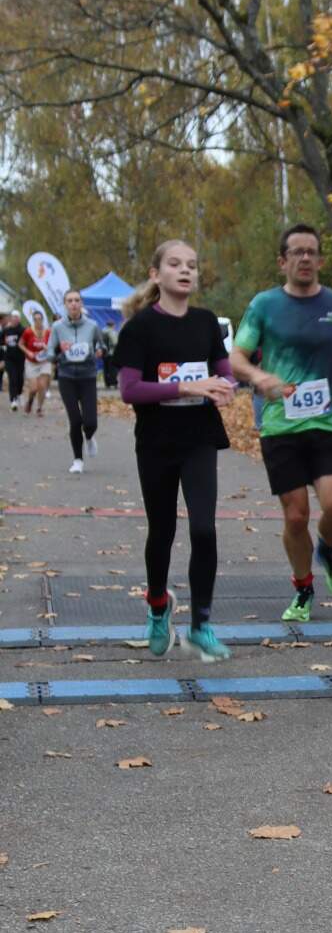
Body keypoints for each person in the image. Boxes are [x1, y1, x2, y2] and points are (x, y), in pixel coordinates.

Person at [229, 223, 332, 624]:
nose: (305, 258)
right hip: (280, 424)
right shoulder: (264, 305)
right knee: (295, 516)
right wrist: (259, 377)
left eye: (312, 252)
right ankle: (304, 587)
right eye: (297, 252)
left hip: (326, 421)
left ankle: (327, 548)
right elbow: (236, 359)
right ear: (282, 261)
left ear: (321, 261)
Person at [116, 239, 237, 661]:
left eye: (192, 265)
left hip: (200, 437)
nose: (185, 270)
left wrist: (225, 388)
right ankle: (157, 606)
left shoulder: (206, 323)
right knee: (162, 530)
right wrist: (188, 386)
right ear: (156, 274)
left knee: (204, 529)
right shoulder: (140, 328)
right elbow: (130, 390)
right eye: (175, 264)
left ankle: (201, 625)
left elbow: (225, 373)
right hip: (157, 442)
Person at [47, 289, 110, 474]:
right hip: (66, 377)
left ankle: (89, 437)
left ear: (81, 304)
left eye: (76, 300)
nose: (73, 304)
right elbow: (50, 353)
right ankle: (78, 460)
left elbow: (102, 346)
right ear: (65, 305)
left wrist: (100, 351)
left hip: (87, 376)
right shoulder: (57, 327)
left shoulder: (92, 325)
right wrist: (60, 352)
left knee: (90, 422)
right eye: (70, 301)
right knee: (75, 420)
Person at [20, 310, 51, 416]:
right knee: (33, 388)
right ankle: (29, 402)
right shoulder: (28, 331)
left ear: (42, 319)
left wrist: (48, 348)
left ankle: (39, 408)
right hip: (31, 362)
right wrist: (28, 352)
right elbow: (20, 344)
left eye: (39, 319)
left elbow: (53, 345)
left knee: (42, 386)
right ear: (33, 320)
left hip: (44, 362)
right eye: (35, 319)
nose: (38, 321)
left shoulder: (48, 332)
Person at [2, 313, 25, 409]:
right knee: (13, 379)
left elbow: (27, 341)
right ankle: (13, 400)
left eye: (16, 318)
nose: (14, 319)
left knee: (20, 379)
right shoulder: (6, 330)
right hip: (9, 359)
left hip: (20, 358)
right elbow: (1, 342)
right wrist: (4, 342)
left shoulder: (23, 330)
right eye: (12, 318)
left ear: (19, 319)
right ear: (10, 319)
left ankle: (19, 394)